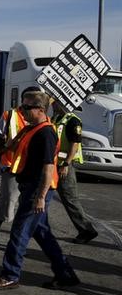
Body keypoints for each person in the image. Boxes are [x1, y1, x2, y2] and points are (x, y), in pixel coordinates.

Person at [0, 90, 79, 290]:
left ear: (40, 109)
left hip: (36, 190)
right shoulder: (32, 129)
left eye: (27, 107)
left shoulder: (45, 133)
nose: (22, 111)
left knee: (19, 233)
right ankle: (65, 274)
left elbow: (48, 168)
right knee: (43, 234)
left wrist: (40, 197)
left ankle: (10, 275)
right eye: (22, 107)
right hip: (30, 187)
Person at [0, 86, 39, 249]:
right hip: (12, 167)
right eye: (29, 99)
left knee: (30, 207)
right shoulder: (10, 115)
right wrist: (5, 144)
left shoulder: (40, 118)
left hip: (33, 169)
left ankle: (18, 242)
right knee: (7, 202)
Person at [51, 99, 98, 244]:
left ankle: (86, 230)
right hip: (54, 164)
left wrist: (66, 164)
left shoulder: (73, 121)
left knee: (70, 199)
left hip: (64, 166)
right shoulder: (56, 118)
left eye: (55, 102)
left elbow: (74, 146)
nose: (52, 105)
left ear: (63, 104)